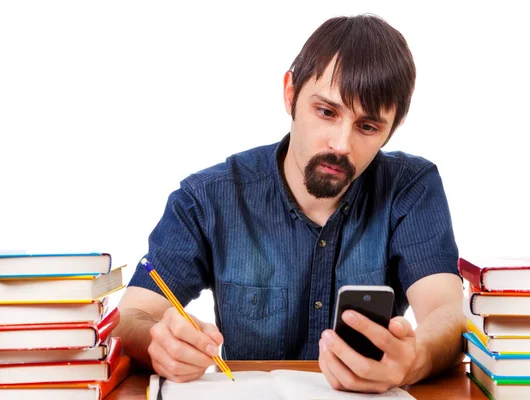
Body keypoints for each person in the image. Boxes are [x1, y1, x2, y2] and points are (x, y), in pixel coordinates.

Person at [114, 13, 464, 393]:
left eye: (367, 127)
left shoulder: (411, 188)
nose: (341, 144)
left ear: (391, 131)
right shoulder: (207, 197)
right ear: (290, 94)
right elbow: (131, 315)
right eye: (326, 112)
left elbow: (447, 313)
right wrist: (157, 342)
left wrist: (413, 361)